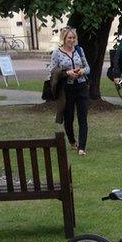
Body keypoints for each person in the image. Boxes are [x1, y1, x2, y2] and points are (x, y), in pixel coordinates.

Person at [48, 28, 91, 156]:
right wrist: (67, 73)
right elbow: (52, 70)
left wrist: (82, 71)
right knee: (69, 118)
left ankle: (82, 147)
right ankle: (72, 141)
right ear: (64, 39)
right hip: (67, 89)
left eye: (73, 38)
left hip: (82, 86)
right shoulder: (57, 53)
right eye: (69, 38)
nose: (72, 40)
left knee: (83, 117)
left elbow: (87, 67)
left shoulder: (79, 50)